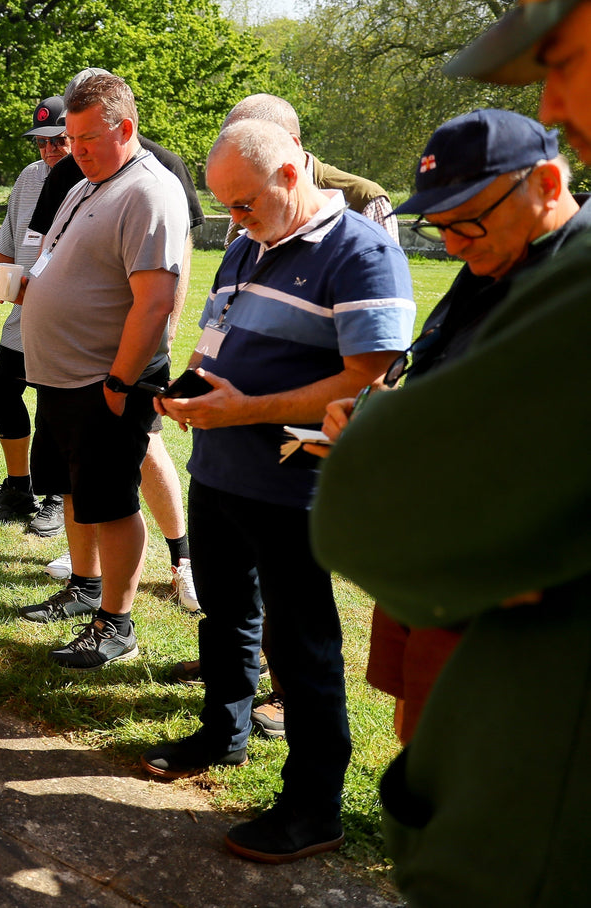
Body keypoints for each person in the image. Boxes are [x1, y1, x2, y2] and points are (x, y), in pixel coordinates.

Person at [306, 5, 591, 902]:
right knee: (422, 735)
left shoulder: (568, 277)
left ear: (547, 184)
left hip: (502, 603)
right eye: (441, 230)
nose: (456, 246)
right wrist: (382, 415)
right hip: (446, 575)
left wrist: (385, 450)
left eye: (468, 223)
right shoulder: (487, 271)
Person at [141, 119, 414, 863]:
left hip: (295, 485)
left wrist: (245, 410)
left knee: (302, 644)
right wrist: (190, 390)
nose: (235, 218)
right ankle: (223, 732)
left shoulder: (363, 252)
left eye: (245, 202)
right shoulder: (246, 242)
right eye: (225, 205)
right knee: (227, 612)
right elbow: (219, 339)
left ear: (292, 174)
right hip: (220, 470)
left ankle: (313, 808)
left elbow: (368, 383)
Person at [12, 74, 188, 667]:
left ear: (125, 128)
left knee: (111, 503)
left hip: (104, 380)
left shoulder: (148, 191)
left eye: (88, 138)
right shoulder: (90, 182)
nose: (76, 149)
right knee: (73, 490)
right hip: (63, 377)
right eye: (72, 137)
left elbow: (155, 302)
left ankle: (116, 623)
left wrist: (118, 384)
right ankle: (84, 587)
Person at [0, 97, 69, 540]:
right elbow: (5, 246)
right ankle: (19, 488)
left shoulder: (90, 181)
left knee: (54, 406)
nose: (49, 151)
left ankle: (57, 496)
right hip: (22, 315)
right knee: (2, 389)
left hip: (65, 322)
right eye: (41, 143)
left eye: (58, 141)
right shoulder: (30, 178)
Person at [222, 93, 398, 243]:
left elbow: (384, 266)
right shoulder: (245, 197)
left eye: (249, 152)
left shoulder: (364, 200)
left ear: (291, 144)